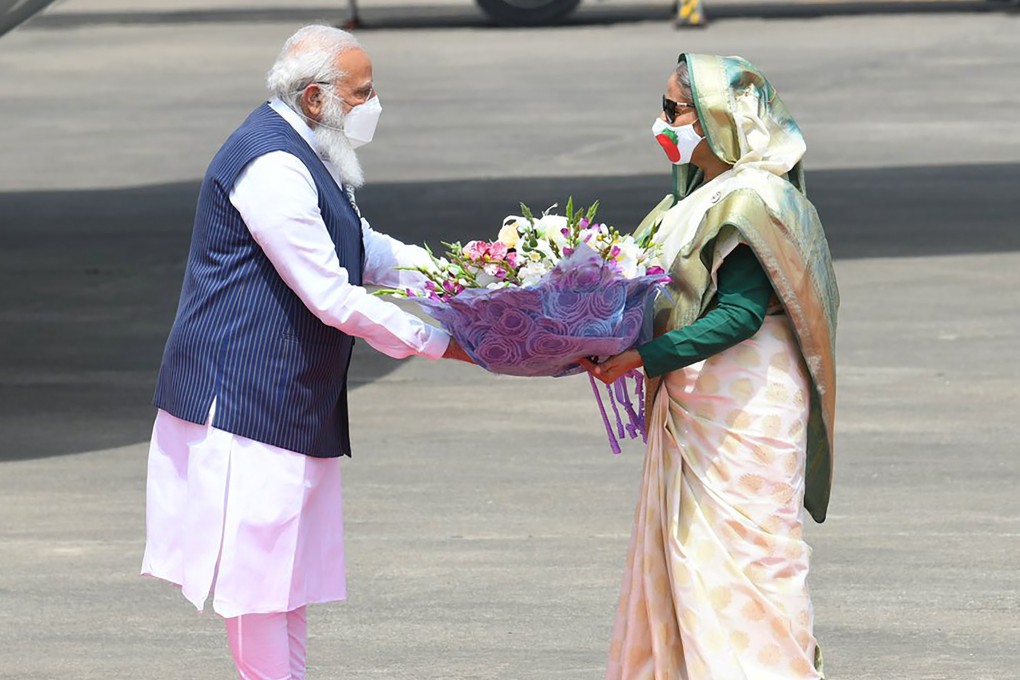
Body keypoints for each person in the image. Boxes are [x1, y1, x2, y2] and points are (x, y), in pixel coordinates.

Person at [141, 25, 470, 679]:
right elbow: (331, 294)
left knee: (285, 583)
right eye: (362, 93)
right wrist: (448, 344)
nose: (373, 105)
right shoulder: (271, 165)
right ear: (315, 98)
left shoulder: (309, 148)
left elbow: (364, 248)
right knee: (258, 589)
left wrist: (469, 278)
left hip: (288, 398)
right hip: (244, 403)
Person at [581, 53, 838, 679]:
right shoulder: (698, 196)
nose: (663, 123)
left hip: (745, 402)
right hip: (701, 396)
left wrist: (641, 356)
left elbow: (740, 316)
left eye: (673, 110)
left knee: (749, 560)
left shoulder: (752, 201)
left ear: (719, 119)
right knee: (692, 555)